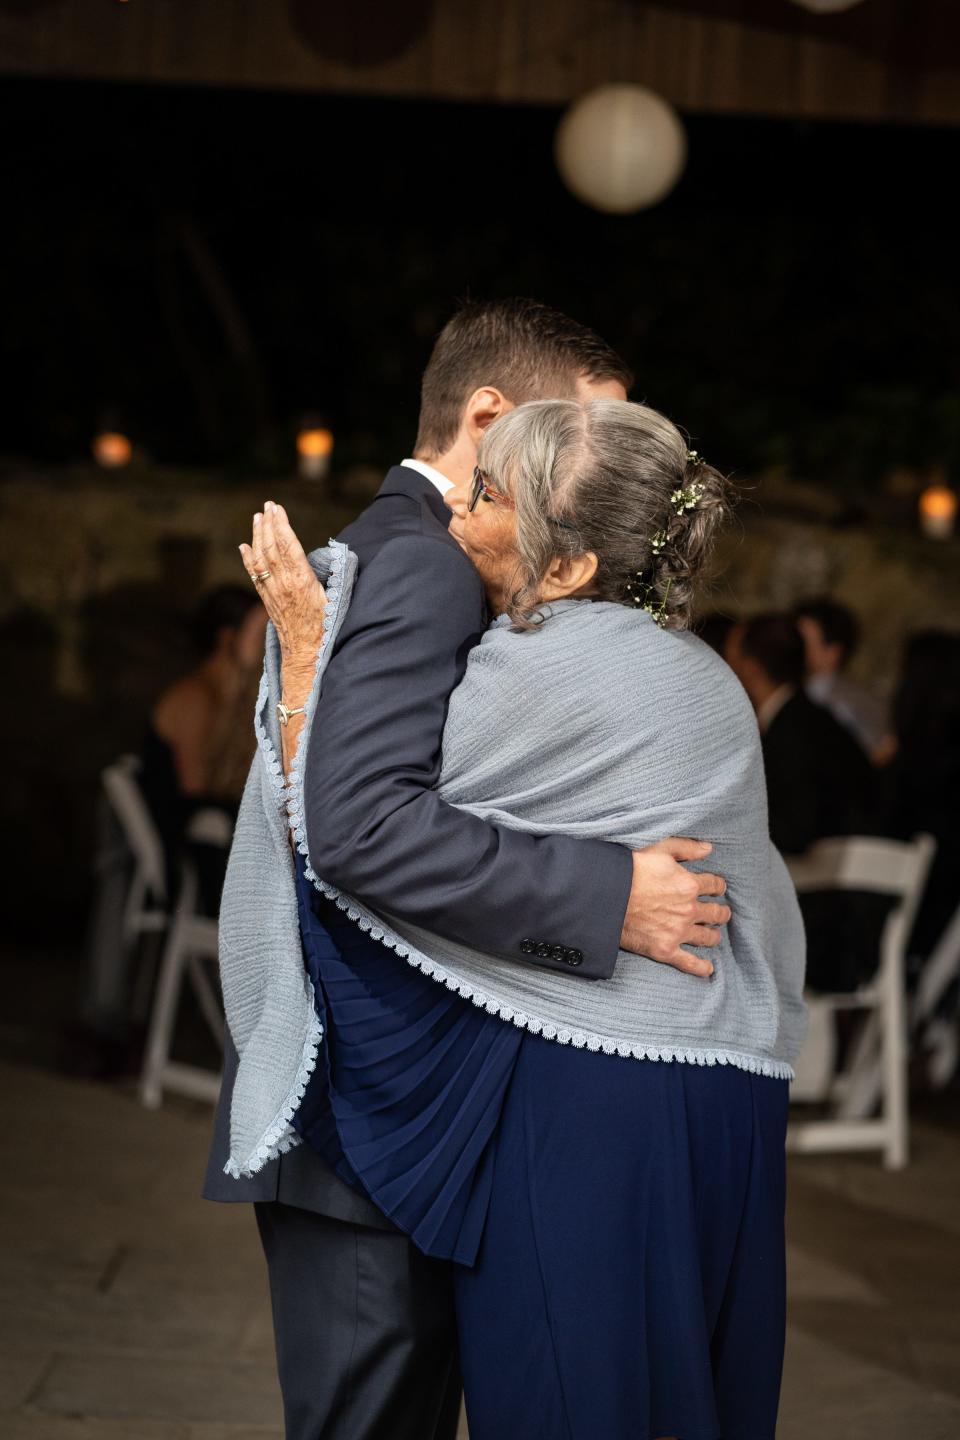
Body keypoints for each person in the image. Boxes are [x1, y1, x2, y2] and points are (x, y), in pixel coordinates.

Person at [207, 300, 734, 1440]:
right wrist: (610, 897)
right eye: (574, 442)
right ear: (491, 420)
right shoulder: (433, 564)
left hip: (371, 1115)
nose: (585, 481)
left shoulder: (404, 547)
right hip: (369, 1120)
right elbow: (361, 827)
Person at [727, 612, 882, 991]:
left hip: (826, 924)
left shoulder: (791, 732)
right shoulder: (814, 721)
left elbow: (795, 829)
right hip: (857, 911)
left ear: (748, 666)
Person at [793, 595, 890, 759]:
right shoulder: (801, 692)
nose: (791, 646)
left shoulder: (844, 705)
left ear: (832, 653)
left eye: (801, 641)